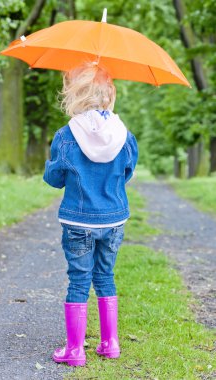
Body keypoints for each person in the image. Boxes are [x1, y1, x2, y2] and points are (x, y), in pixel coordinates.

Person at [43, 62, 138, 367]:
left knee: (79, 280)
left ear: (74, 94)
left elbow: (55, 178)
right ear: (110, 94)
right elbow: (127, 172)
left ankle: (75, 351)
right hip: (113, 219)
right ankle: (110, 344)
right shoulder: (124, 135)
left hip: (78, 221)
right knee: (105, 276)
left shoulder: (66, 135)